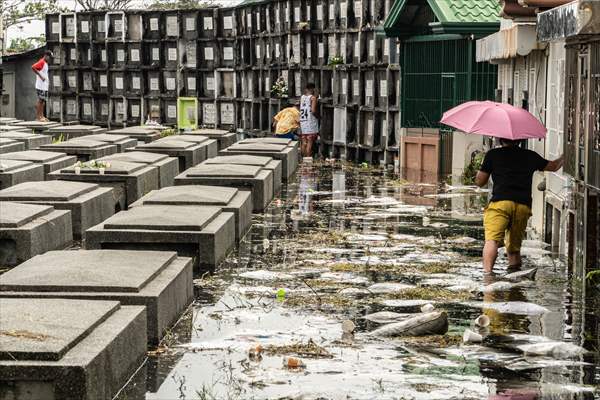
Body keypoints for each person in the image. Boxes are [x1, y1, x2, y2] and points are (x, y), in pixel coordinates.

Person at [475, 138, 564, 274]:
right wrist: (567, 153)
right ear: (521, 139)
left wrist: (483, 168)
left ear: (500, 139)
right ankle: (515, 277)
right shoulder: (530, 155)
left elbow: (480, 182)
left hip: (500, 204)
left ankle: (488, 276)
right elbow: (554, 166)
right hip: (522, 205)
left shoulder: (493, 155)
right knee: (514, 249)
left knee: (492, 241)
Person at [31, 50, 53, 122]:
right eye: (49, 57)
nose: (50, 59)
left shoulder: (45, 63)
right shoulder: (42, 62)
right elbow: (33, 67)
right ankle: (38, 117)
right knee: (40, 101)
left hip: (44, 86)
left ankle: (42, 116)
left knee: (43, 101)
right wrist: (41, 76)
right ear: (46, 56)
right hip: (40, 85)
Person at [299, 83, 319, 158]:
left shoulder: (302, 97)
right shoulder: (313, 98)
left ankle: (302, 159)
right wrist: (318, 117)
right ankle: (308, 158)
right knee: (310, 141)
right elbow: (313, 111)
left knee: (304, 142)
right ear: (313, 89)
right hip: (310, 121)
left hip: (303, 121)